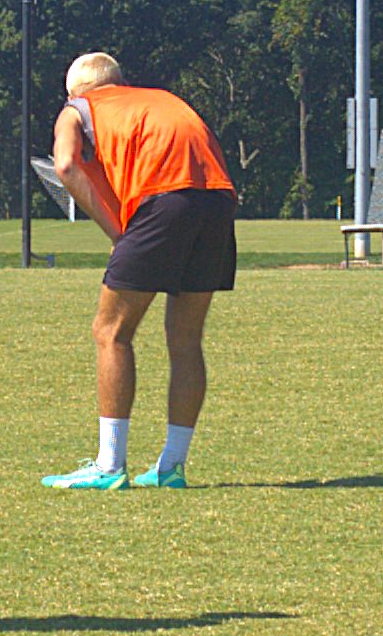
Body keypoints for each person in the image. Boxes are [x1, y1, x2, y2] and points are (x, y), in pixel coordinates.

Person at [41, 53, 236, 489]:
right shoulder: (157, 99)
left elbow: (66, 166)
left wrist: (117, 232)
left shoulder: (77, 107)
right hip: (219, 200)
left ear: (75, 91)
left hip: (162, 200)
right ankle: (171, 468)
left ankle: (109, 466)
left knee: (110, 332)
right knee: (185, 339)